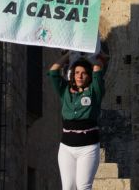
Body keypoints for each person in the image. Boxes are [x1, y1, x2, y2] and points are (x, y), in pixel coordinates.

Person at [49, 52, 108, 190]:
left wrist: (88, 56)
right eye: (76, 73)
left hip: (88, 148)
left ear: (88, 76)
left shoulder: (95, 91)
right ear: (72, 75)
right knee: (68, 187)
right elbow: (53, 71)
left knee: (83, 187)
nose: (79, 76)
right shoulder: (65, 91)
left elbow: (97, 69)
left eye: (83, 73)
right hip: (66, 148)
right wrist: (70, 54)